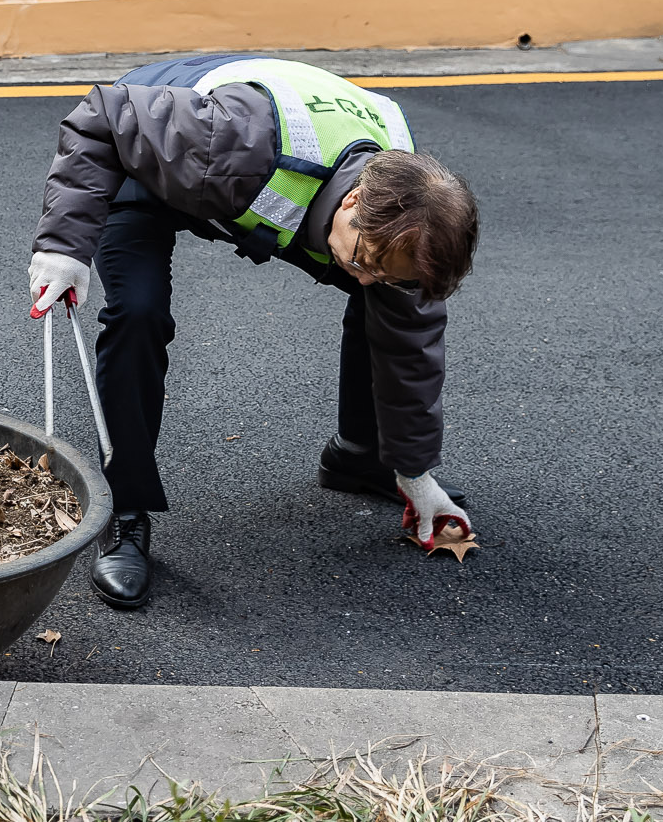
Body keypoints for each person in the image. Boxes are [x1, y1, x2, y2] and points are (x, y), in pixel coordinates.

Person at [29, 54, 481, 609]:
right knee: (138, 313)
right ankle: (125, 513)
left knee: (390, 311)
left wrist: (414, 473)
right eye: (363, 258)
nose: (365, 274)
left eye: (388, 270)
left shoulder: (407, 221)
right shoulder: (235, 139)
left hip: (228, 179)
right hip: (144, 155)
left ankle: (361, 457)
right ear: (356, 201)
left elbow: (410, 354)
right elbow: (101, 115)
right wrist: (63, 246)